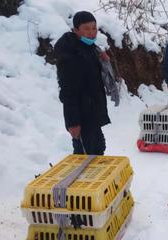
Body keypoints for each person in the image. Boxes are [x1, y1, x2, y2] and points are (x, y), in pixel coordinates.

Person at [54, 11, 110, 155]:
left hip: (92, 113)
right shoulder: (70, 55)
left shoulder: (90, 49)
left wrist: (103, 60)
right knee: (84, 157)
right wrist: (73, 122)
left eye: (94, 28)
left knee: (98, 149)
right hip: (81, 115)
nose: (91, 33)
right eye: (86, 28)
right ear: (76, 30)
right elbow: (67, 91)